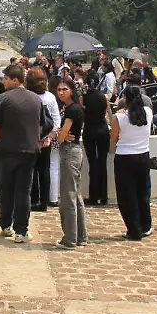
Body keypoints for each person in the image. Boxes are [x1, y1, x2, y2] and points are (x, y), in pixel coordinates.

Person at [0, 63, 42, 244]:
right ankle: (21, 230)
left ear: (14, 80)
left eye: (6, 78)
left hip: (7, 150)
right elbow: (42, 124)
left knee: (7, 189)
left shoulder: (3, 99)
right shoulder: (36, 99)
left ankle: (6, 224)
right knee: (23, 191)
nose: (3, 82)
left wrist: (3, 142)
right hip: (29, 150)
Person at [111, 84, 154, 240]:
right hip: (143, 155)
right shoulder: (148, 112)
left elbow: (113, 141)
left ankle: (133, 230)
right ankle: (146, 225)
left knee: (127, 196)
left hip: (124, 157)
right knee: (143, 192)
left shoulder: (120, 117)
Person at [54, 79, 88, 249]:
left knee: (68, 196)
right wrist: (61, 134)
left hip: (70, 151)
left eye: (64, 89)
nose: (61, 92)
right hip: (74, 151)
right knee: (75, 194)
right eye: (59, 89)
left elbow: (61, 136)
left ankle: (70, 238)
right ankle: (81, 236)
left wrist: (60, 134)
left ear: (72, 91)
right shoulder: (70, 108)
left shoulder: (72, 109)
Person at [27, 67, 60, 212]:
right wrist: (49, 137)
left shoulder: (28, 97)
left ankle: (34, 199)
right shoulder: (51, 97)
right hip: (46, 140)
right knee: (44, 170)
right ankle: (44, 202)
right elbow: (56, 121)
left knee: (32, 170)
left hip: (30, 139)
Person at [82, 71, 110, 206]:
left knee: (93, 163)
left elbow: (83, 113)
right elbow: (107, 113)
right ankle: (103, 196)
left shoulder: (85, 97)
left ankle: (93, 196)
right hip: (103, 129)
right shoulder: (102, 96)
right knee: (102, 163)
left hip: (90, 130)